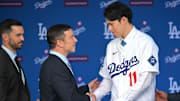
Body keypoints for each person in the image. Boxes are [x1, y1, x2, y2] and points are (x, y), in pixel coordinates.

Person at [93, 1, 159, 101]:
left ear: (123, 20)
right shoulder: (111, 46)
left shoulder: (146, 42)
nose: (109, 29)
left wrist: (124, 99)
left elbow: (146, 78)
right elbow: (108, 81)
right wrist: (95, 96)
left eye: (111, 24)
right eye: (108, 25)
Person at [39, 24, 99, 101]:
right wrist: (90, 99)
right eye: (71, 37)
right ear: (60, 43)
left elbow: (64, 93)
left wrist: (87, 88)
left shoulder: (56, 63)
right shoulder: (54, 66)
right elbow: (69, 98)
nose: (75, 40)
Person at [0, 19, 30, 101]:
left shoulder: (13, 59)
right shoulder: (1, 61)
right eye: (18, 35)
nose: (22, 38)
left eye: (23, 35)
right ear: (5, 37)